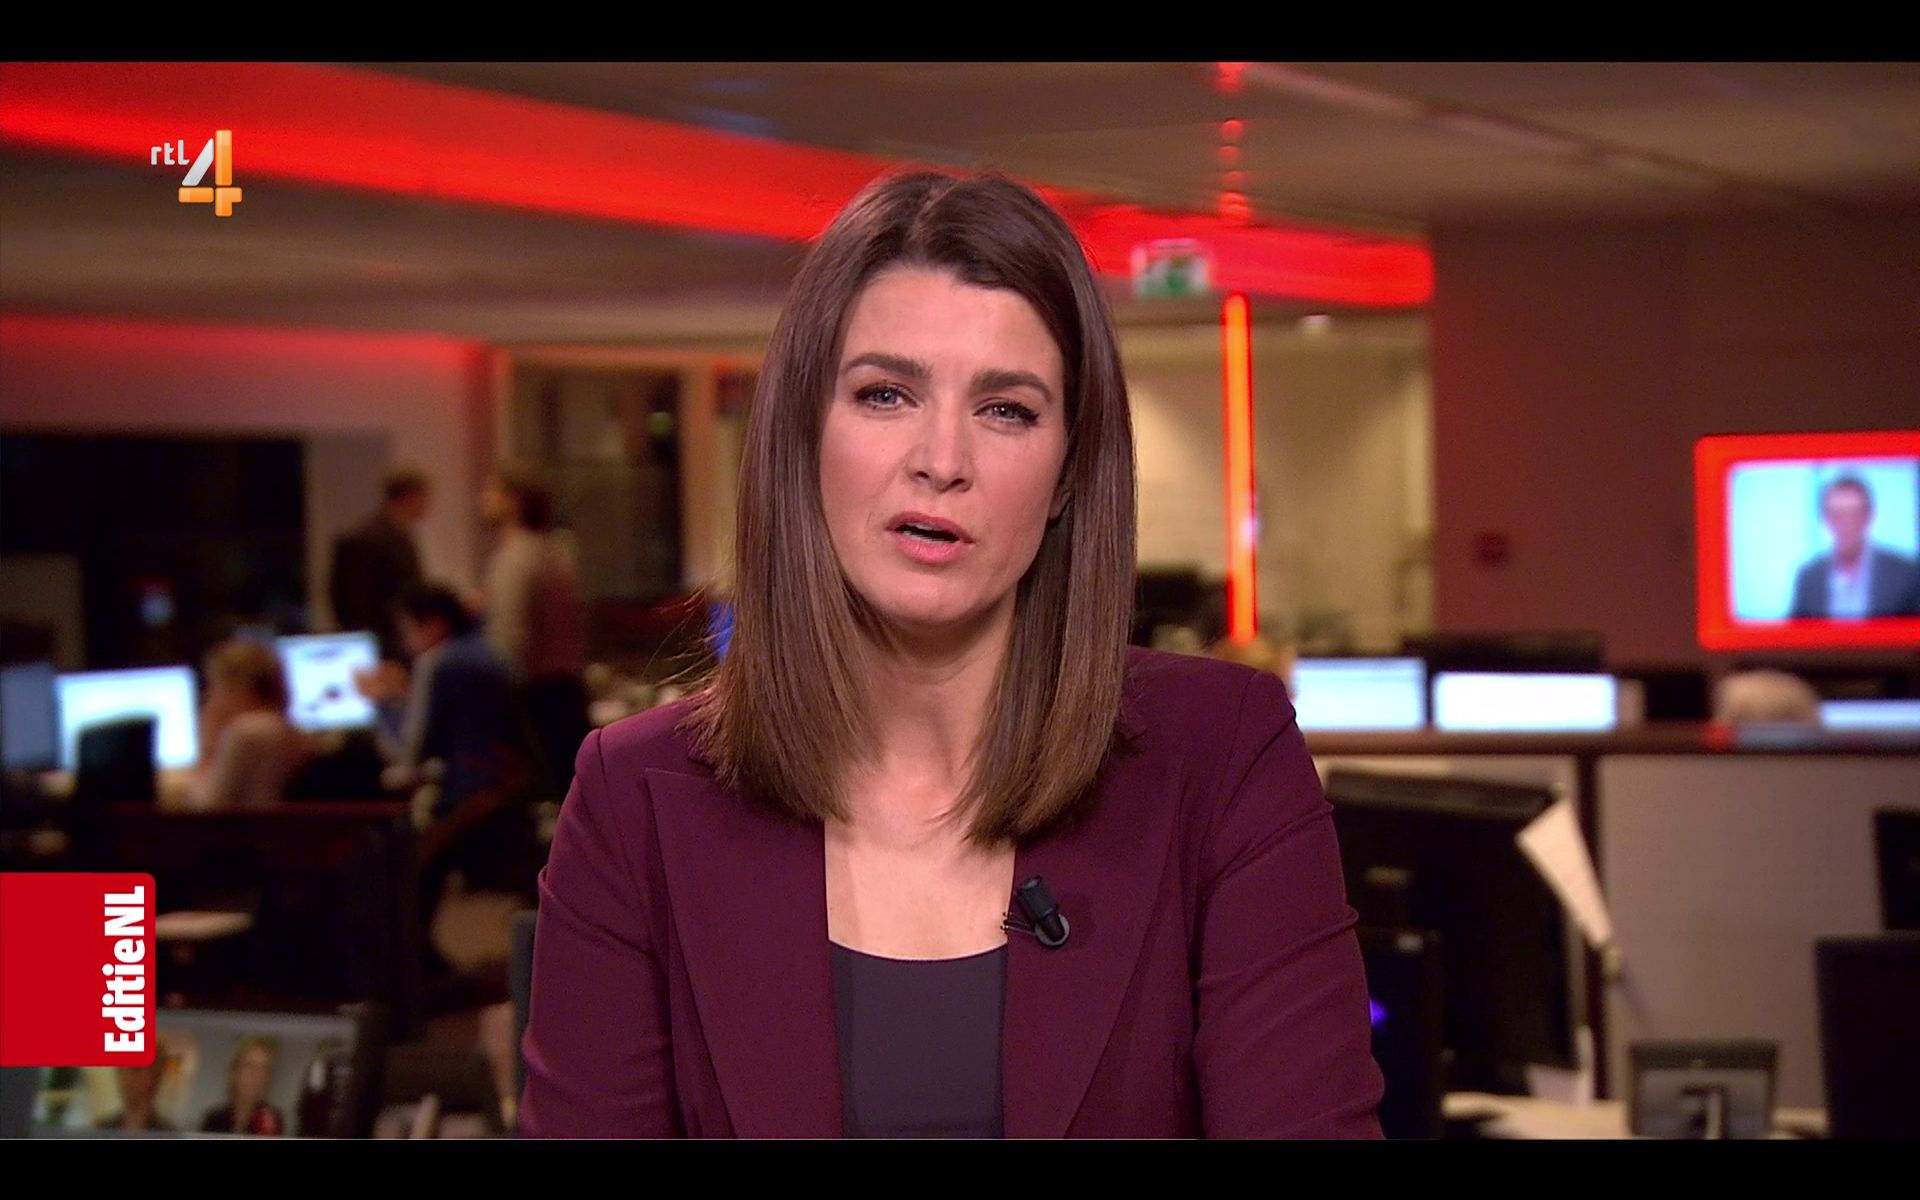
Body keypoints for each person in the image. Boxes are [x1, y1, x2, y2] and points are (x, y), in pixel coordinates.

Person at [519, 171, 1384, 1138]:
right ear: (804, 435)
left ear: (1069, 474)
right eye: (885, 394)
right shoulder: (634, 799)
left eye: (1006, 409)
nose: (942, 459)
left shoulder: (1225, 757)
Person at [360, 582, 538, 965]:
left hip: (469, 800)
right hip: (512, 789)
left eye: (407, 629)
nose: (405, 642)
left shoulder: (438, 662)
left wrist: (380, 702)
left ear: (434, 624)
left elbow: (408, 752)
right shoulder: (493, 653)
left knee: (400, 868)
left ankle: (409, 969)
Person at [481, 465, 589, 793]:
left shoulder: (515, 557)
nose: (483, 499)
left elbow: (508, 639)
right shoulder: (555, 551)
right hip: (567, 688)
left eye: (492, 491)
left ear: (514, 501)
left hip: (536, 694)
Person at [185, 639, 316, 810]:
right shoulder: (285, 729)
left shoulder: (249, 732)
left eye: (214, 686)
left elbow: (205, 808)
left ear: (236, 687)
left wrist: (208, 745)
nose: (210, 697)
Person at [328, 466, 431, 661]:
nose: (427, 505)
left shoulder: (400, 537)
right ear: (408, 497)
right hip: (382, 643)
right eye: (423, 497)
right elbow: (355, 599)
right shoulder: (368, 539)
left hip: (391, 639)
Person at [1788, 475, 1920, 619]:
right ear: (1825, 519)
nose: (1847, 523)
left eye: (1855, 514)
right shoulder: (1809, 577)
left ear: (1869, 516)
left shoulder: (1906, 574)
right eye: (1838, 515)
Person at [201, 1035, 286, 1135]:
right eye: (250, 1066)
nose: (258, 1075)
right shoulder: (214, 1119)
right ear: (234, 1071)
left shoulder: (272, 1120)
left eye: (265, 1069)